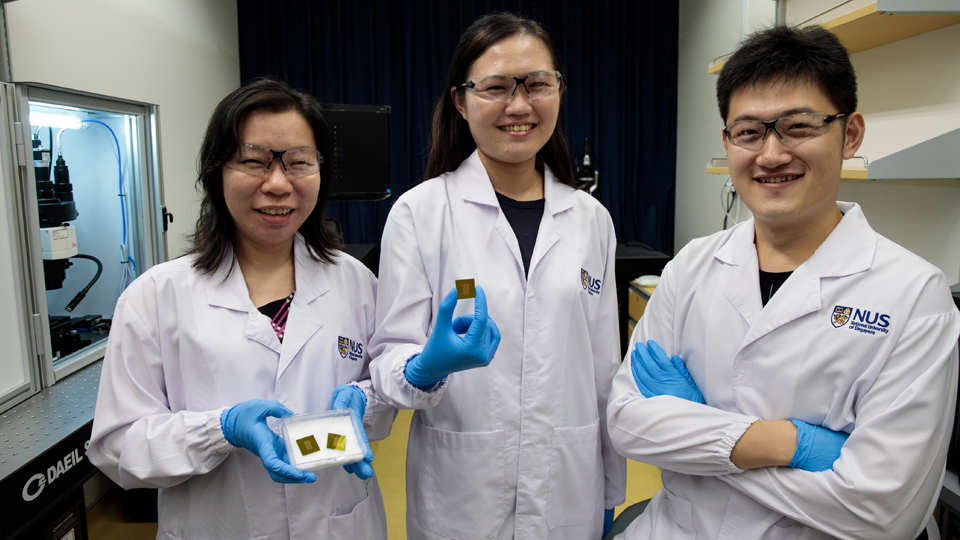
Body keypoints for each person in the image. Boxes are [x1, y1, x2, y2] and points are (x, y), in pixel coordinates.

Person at [606, 25, 960, 540]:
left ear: (851, 133)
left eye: (798, 127)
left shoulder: (913, 296)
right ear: (728, 142)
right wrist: (793, 442)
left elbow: (882, 514)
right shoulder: (693, 265)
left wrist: (696, 431)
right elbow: (627, 424)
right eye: (748, 132)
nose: (770, 155)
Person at [88, 78, 394, 539]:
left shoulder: (356, 282)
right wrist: (220, 429)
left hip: (336, 523)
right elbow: (118, 450)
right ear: (217, 173)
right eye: (253, 161)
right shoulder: (156, 296)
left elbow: (381, 401)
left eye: (299, 163)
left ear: (320, 172)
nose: (277, 184)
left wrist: (367, 403)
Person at [368, 11, 626, 540]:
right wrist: (421, 369)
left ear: (559, 91)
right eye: (496, 87)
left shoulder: (590, 220)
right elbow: (389, 354)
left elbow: (604, 370)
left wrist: (611, 489)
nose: (518, 105)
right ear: (460, 101)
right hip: (461, 494)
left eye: (537, 84)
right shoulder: (422, 213)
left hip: (568, 487)